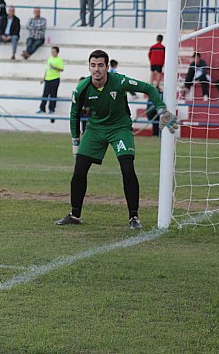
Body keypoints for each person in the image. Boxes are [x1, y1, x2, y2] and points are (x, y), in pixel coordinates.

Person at [56, 49, 178, 229]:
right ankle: (75, 215)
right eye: (93, 65)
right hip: (95, 129)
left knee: (127, 169)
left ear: (107, 67)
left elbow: (149, 88)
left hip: (120, 128)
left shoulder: (119, 81)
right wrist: (75, 141)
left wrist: (162, 110)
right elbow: (74, 114)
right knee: (79, 170)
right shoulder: (81, 89)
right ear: (89, 67)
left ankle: (133, 217)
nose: (96, 69)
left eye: (100, 65)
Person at [37, 46, 64, 121]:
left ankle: (51, 109)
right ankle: (42, 108)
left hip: (55, 79)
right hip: (47, 79)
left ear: (57, 52)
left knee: (53, 94)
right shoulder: (49, 59)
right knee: (45, 94)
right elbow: (47, 69)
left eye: (54, 51)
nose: (52, 53)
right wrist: (43, 78)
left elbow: (61, 69)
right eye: (52, 51)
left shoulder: (59, 60)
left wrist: (55, 67)